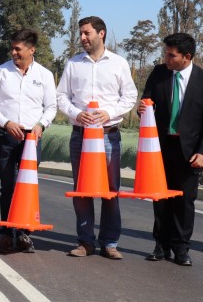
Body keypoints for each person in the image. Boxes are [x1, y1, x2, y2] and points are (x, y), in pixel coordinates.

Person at [57, 15, 137, 260]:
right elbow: (61, 97)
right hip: (80, 136)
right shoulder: (73, 64)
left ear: (101, 34)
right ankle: (85, 241)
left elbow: (130, 96)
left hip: (108, 136)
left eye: (87, 33)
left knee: (110, 190)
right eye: (81, 33)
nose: (82, 38)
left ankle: (110, 242)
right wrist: (77, 114)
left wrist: (108, 113)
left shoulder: (119, 63)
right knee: (82, 190)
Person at [138, 33, 203, 266]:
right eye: (165, 53)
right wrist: (142, 108)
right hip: (160, 149)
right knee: (160, 199)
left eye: (171, 55)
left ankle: (181, 248)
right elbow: (146, 101)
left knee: (185, 201)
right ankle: (160, 246)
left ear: (187, 57)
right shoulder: (159, 74)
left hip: (190, 151)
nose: (166, 58)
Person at [0, 28, 57, 254]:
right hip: (6, 135)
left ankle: (24, 233)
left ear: (32, 49)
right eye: (12, 48)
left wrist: (41, 125)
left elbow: (51, 107)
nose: (13, 52)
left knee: (27, 188)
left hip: (32, 140)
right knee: (8, 187)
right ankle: (6, 233)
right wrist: (6, 123)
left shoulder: (44, 75)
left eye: (18, 48)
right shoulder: (0, 72)